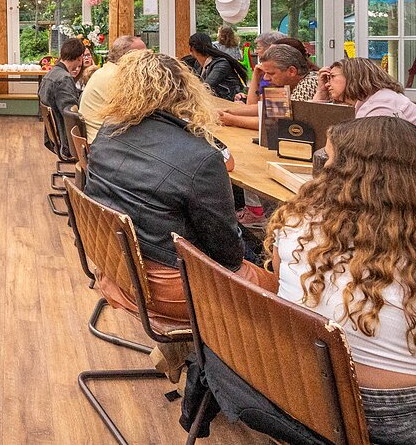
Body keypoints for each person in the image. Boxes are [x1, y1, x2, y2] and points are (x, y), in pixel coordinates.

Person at [267, 118, 416, 443]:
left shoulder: (297, 224)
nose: (324, 164)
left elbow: (280, 280)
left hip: (303, 392)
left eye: (331, 159)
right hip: (397, 419)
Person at [85, 50, 274, 327]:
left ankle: (197, 355)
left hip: (116, 264)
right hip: (170, 287)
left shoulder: (108, 131)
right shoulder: (202, 158)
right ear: (186, 90)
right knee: (289, 291)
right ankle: (224, 362)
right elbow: (229, 255)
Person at [219, 41, 320, 130]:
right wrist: (229, 111)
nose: (266, 78)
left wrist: (232, 119)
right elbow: (266, 108)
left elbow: (278, 123)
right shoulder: (286, 83)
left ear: (291, 71)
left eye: (271, 73)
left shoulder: (309, 82)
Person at [312, 56, 416, 122]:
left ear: (353, 77)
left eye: (332, 77)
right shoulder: (373, 99)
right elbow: (320, 125)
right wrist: (321, 92)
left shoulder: (381, 105)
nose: (327, 84)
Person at [79, 35, 147, 142]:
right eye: (143, 55)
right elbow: (136, 113)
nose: (147, 60)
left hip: (100, 139)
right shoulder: (116, 77)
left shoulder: (107, 70)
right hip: (105, 144)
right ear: (127, 57)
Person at [38, 37, 86, 157]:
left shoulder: (51, 74)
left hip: (53, 138)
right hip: (66, 142)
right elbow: (71, 114)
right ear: (80, 57)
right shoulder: (64, 78)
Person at [188, 32, 248, 101]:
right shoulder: (198, 63)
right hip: (216, 102)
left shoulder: (221, 64)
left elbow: (205, 88)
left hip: (231, 102)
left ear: (191, 48)